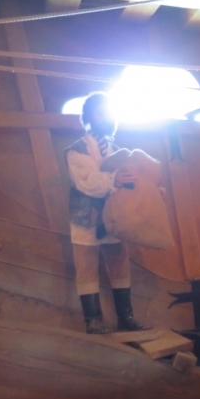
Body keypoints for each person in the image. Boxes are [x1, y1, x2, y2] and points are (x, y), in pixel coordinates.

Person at [65, 92, 147, 335]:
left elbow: (129, 182)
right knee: (86, 267)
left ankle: (126, 317)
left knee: (120, 264)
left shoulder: (117, 151)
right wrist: (114, 179)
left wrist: (149, 192)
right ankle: (92, 320)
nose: (106, 117)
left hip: (113, 218)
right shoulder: (76, 151)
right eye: (101, 113)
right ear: (90, 116)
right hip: (86, 218)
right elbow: (88, 182)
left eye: (108, 112)